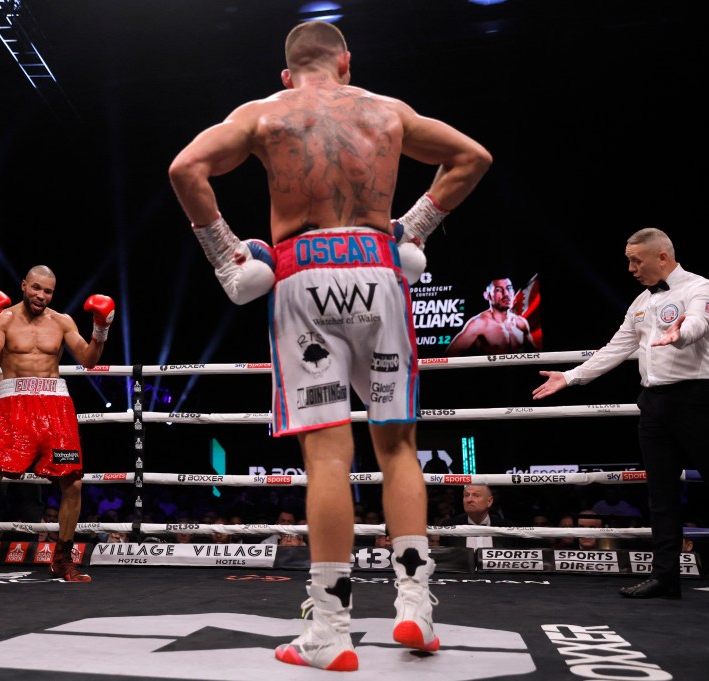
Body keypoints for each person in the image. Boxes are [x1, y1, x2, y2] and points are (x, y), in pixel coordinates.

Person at [169, 20, 491, 671]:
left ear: (288, 74)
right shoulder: (389, 112)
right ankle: (415, 609)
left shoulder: (266, 112)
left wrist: (227, 258)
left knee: (327, 458)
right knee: (398, 446)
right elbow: (474, 158)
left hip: (305, 275)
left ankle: (331, 631)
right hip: (379, 271)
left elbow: (185, 167)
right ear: (346, 62)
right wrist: (413, 226)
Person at [533, 228, 709, 599]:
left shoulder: (701, 288)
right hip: (653, 404)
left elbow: (699, 323)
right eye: (628, 260)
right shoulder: (640, 303)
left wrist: (680, 333)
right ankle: (665, 578)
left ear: (662, 257)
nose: (631, 268)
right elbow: (614, 349)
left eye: (637, 260)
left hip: (699, 399)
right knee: (660, 494)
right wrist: (569, 377)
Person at [0, 265, 115, 584]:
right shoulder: (5, 318)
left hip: (56, 411)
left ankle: (63, 559)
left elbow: (89, 360)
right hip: (16, 410)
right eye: (36, 288)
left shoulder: (62, 321)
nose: (41, 295)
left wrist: (100, 329)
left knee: (74, 484)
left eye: (48, 291)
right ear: (24, 285)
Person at [445, 278, 537, 356]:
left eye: (509, 288)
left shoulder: (521, 323)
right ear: (487, 296)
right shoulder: (479, 323)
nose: (506, 294)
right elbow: (449, 355)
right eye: (498, 290)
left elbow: (535, 354)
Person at [441, 484, 515, 549]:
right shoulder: (448, 527)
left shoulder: (508, 528)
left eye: (476, 495)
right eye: (466, 495)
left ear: (489, 501)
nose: (469, 500)